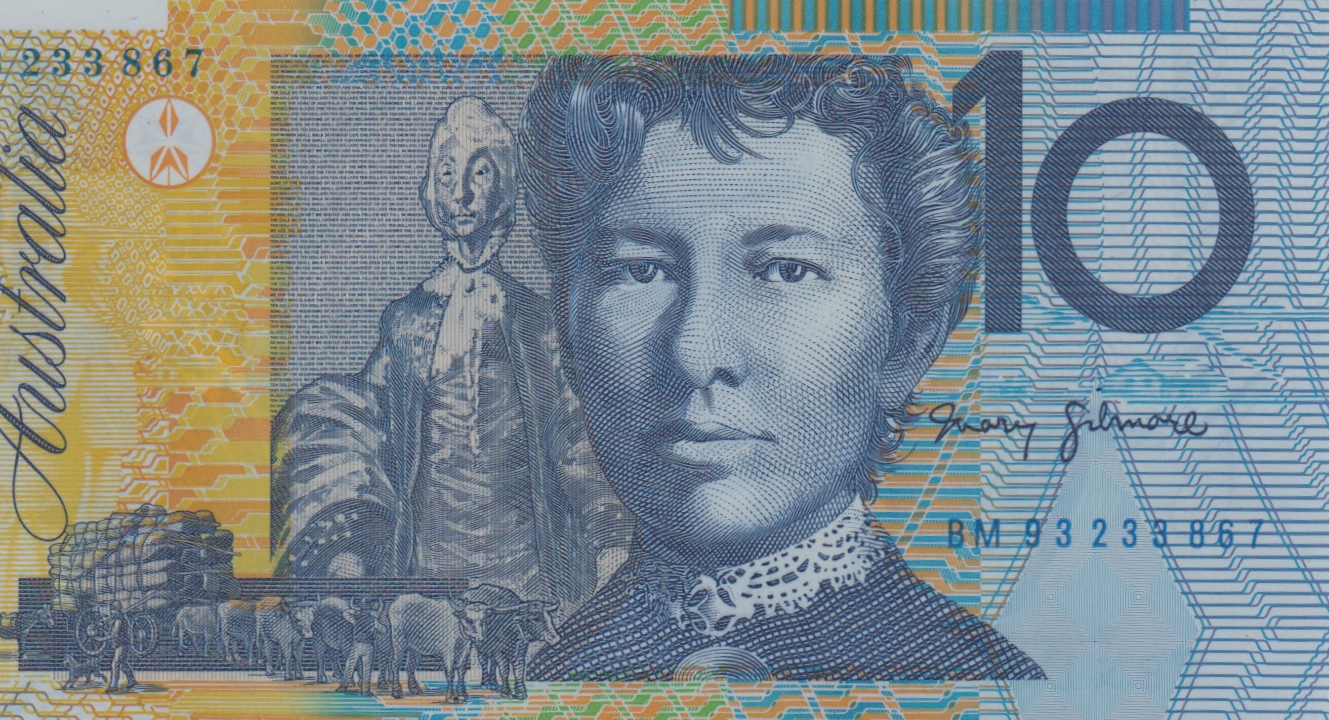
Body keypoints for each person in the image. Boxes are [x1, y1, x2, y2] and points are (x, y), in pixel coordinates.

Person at [520, 56, 1044, 682]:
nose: (695, 352)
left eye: (786, 270)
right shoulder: (541, 682)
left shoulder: (981, 684)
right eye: (641, 270)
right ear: (568, 333)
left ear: (906, 343)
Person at [270, 96, 632, 620]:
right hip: (426, 580)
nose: (460, 192)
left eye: (479, 173)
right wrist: (346, 545)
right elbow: (366, 429)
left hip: (528, 577)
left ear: (505, 185)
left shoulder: (538, 321)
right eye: (446, 174)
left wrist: (610, 544)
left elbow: (578, 442)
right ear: (431, 189)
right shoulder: (405, 321)